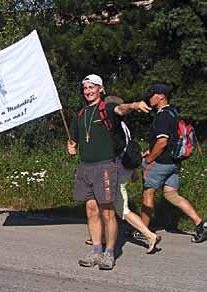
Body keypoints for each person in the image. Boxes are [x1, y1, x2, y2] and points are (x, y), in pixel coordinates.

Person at [67, 74, 151, 270]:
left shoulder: (108, 108)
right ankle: (96, 251)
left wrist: (135, 104)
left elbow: (122, 108)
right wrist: (70, 146)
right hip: (85, 168)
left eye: (92, 87)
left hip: (105, 166)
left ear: (101, 89)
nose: (88, 91)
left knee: (108, 212)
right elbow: (73, 139)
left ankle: (109, 253)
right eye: (86, 88)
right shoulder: (80, 114)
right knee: (91, 210)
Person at [85, 96, 162, 254]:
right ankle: (101, 237)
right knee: (106, 204)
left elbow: (114, 150)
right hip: (124, 169)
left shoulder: (114, 127)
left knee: (120, 209)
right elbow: (129, 150)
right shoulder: (124, 126)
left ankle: (149, 235)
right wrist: (133, 171)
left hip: (115, 170)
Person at [139, 83, 207, 243]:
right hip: (174, 162)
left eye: (152, 94)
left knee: (147, 193)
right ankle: (200, 224)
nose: (149, 98)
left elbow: (162, 142)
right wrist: (150, 149)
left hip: (161, 163)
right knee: (171, 195)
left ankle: (142, 231)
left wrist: (149, 159)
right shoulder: (173, 112)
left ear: (161, 96)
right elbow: (170, 140)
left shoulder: (162, 115)